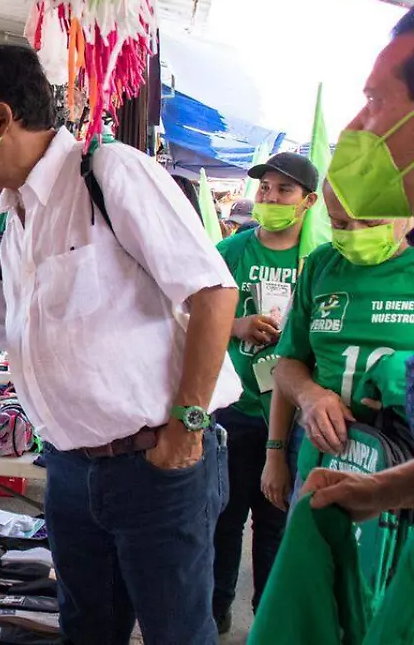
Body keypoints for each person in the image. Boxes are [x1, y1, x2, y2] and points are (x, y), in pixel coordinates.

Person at [0, 44, 241, 645]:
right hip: (69, 468)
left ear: (1, 117)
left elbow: (213, 292)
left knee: (176, 632)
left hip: (156, 464)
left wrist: (187, 425)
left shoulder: (108, 174)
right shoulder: (6, 221)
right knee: (86, 630)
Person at [295, 7, 414, 520]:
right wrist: (379, 493)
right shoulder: (322, 266)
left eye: (374, 101)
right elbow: (291, 360)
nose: (353, 129)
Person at [210, 152, 318, 633]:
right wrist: (236, 326)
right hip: (236, 408)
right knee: (225, 519)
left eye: (283, 190)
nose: (270, 198)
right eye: (265, 189)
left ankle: (267, 624)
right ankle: (215, 614)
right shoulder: (231, 251)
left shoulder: (317, 261)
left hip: (292, 417)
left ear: (308, 202)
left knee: (275, 524)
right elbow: (189, 316)